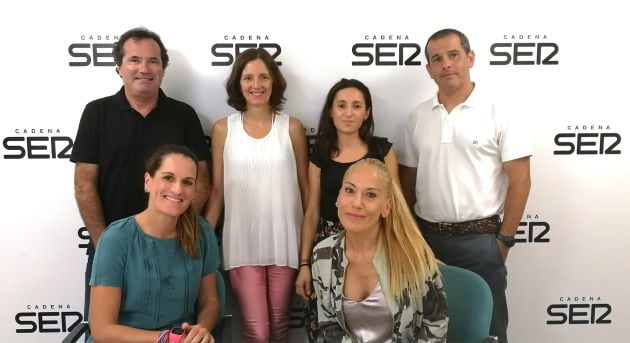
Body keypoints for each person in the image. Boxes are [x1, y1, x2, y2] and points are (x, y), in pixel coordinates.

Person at [398, 28, 532, 343]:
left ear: (470, 58)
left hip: (482, 242)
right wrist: (413, 238)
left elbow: (521, 180)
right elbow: (406, 182)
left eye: (453, 55)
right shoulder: (418, 117)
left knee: (488, 332)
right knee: (426, 331)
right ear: (428, 69)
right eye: (437, 59)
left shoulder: (500, 112)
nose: (446, 64)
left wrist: (503, 242)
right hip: (427, 243)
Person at [70, 26, 211, 317]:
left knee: (173, 332)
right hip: (111, 251)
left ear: (163, 69)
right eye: (134, 60)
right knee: (106, 332)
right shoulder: (97, 113)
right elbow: (84, 185)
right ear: (119, 67)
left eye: (153, 61)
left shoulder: (183, 115)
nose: (144, 68)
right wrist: (106, 245)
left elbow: (201, 181)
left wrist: (176, 232)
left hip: (173, 249)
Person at [204, 47, 308, 342]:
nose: (256, 84)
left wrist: (307, 247)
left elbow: (304, 189)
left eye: (263, 77)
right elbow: (217, 192)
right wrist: (202, 238)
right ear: (238, 83)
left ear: (274, 82)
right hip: (241, 242)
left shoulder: (293, 128)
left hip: (285, 240)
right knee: (256, 332)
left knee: (278, 328)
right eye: (248, 78)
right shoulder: (224, 129)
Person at [293, 78, 399, 340]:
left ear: (367, 112)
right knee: (329, 327)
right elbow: (312, 213)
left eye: (356, 106)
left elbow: (396, 209)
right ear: (331, 111)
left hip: (377, 249)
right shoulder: (319, 156)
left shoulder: (382, 151)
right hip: (329, 253)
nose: (348, 113)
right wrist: (305, 263)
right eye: (341, 105)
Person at [89, 144, 219, 343]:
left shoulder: (201, 232)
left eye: (187, 182)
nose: (177, 189)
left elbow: (209, 301)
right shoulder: (116, 239)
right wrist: (166, 339)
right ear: (148, 182)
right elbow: (101, 330)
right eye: (168, 178)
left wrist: (200, 331)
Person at [311, 158, 448, 342]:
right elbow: (329, 327)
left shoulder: (413, 255)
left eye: (371, 195)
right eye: (350, 190)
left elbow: (435, 326)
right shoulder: (323, 255)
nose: (357, 203)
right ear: (338, 198)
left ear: (386, 207)